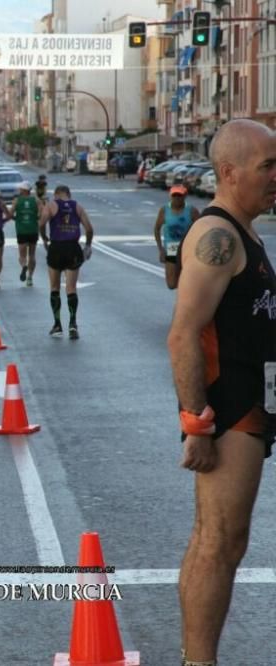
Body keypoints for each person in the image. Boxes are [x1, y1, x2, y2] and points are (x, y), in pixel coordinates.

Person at [167, 119, 276, 666]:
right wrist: (197, 422)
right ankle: (199, 662)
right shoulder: (218, 236)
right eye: (268, 167)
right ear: (230, 173)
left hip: (252, 404)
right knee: (219, 542)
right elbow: (183, 333)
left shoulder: (244, 231)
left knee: (223, 541)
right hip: (228, 411)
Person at [39, 185, 94, 339]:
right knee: (71, 288)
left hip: (56, 247)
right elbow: (89, 229)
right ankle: (73, 324)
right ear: (69, 194)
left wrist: (44, 238)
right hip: (73, 248)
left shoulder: (51, 205)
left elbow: (42, 224)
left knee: (55, 287)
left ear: (56, 194)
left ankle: (57, 325)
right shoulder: (78, 207)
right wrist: (88, 246)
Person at [154, 185, 200, 290]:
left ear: (185, 196)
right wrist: (161, 249)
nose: (177, 198)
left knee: (188, 281)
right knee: (171, 284)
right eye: (174, 195)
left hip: (187, 250)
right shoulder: (164, 210)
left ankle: (183, 296)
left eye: (179, 195)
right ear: (170, 196)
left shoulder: (192, 211)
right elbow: (157, 229)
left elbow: (201, 229)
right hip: (171, 250)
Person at [11, 182, 41, 286]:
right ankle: (30, 278)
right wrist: (35, 218)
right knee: (32, 255)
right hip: (33, 230)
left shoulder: (16, 201)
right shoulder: (36, 200)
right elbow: (41, 214)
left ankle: (24, 265)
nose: (19, 190)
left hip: (21, 230)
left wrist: (16, 219)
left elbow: (10, 214)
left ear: (23, 190)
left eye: (20, 189)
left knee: (22, 255)